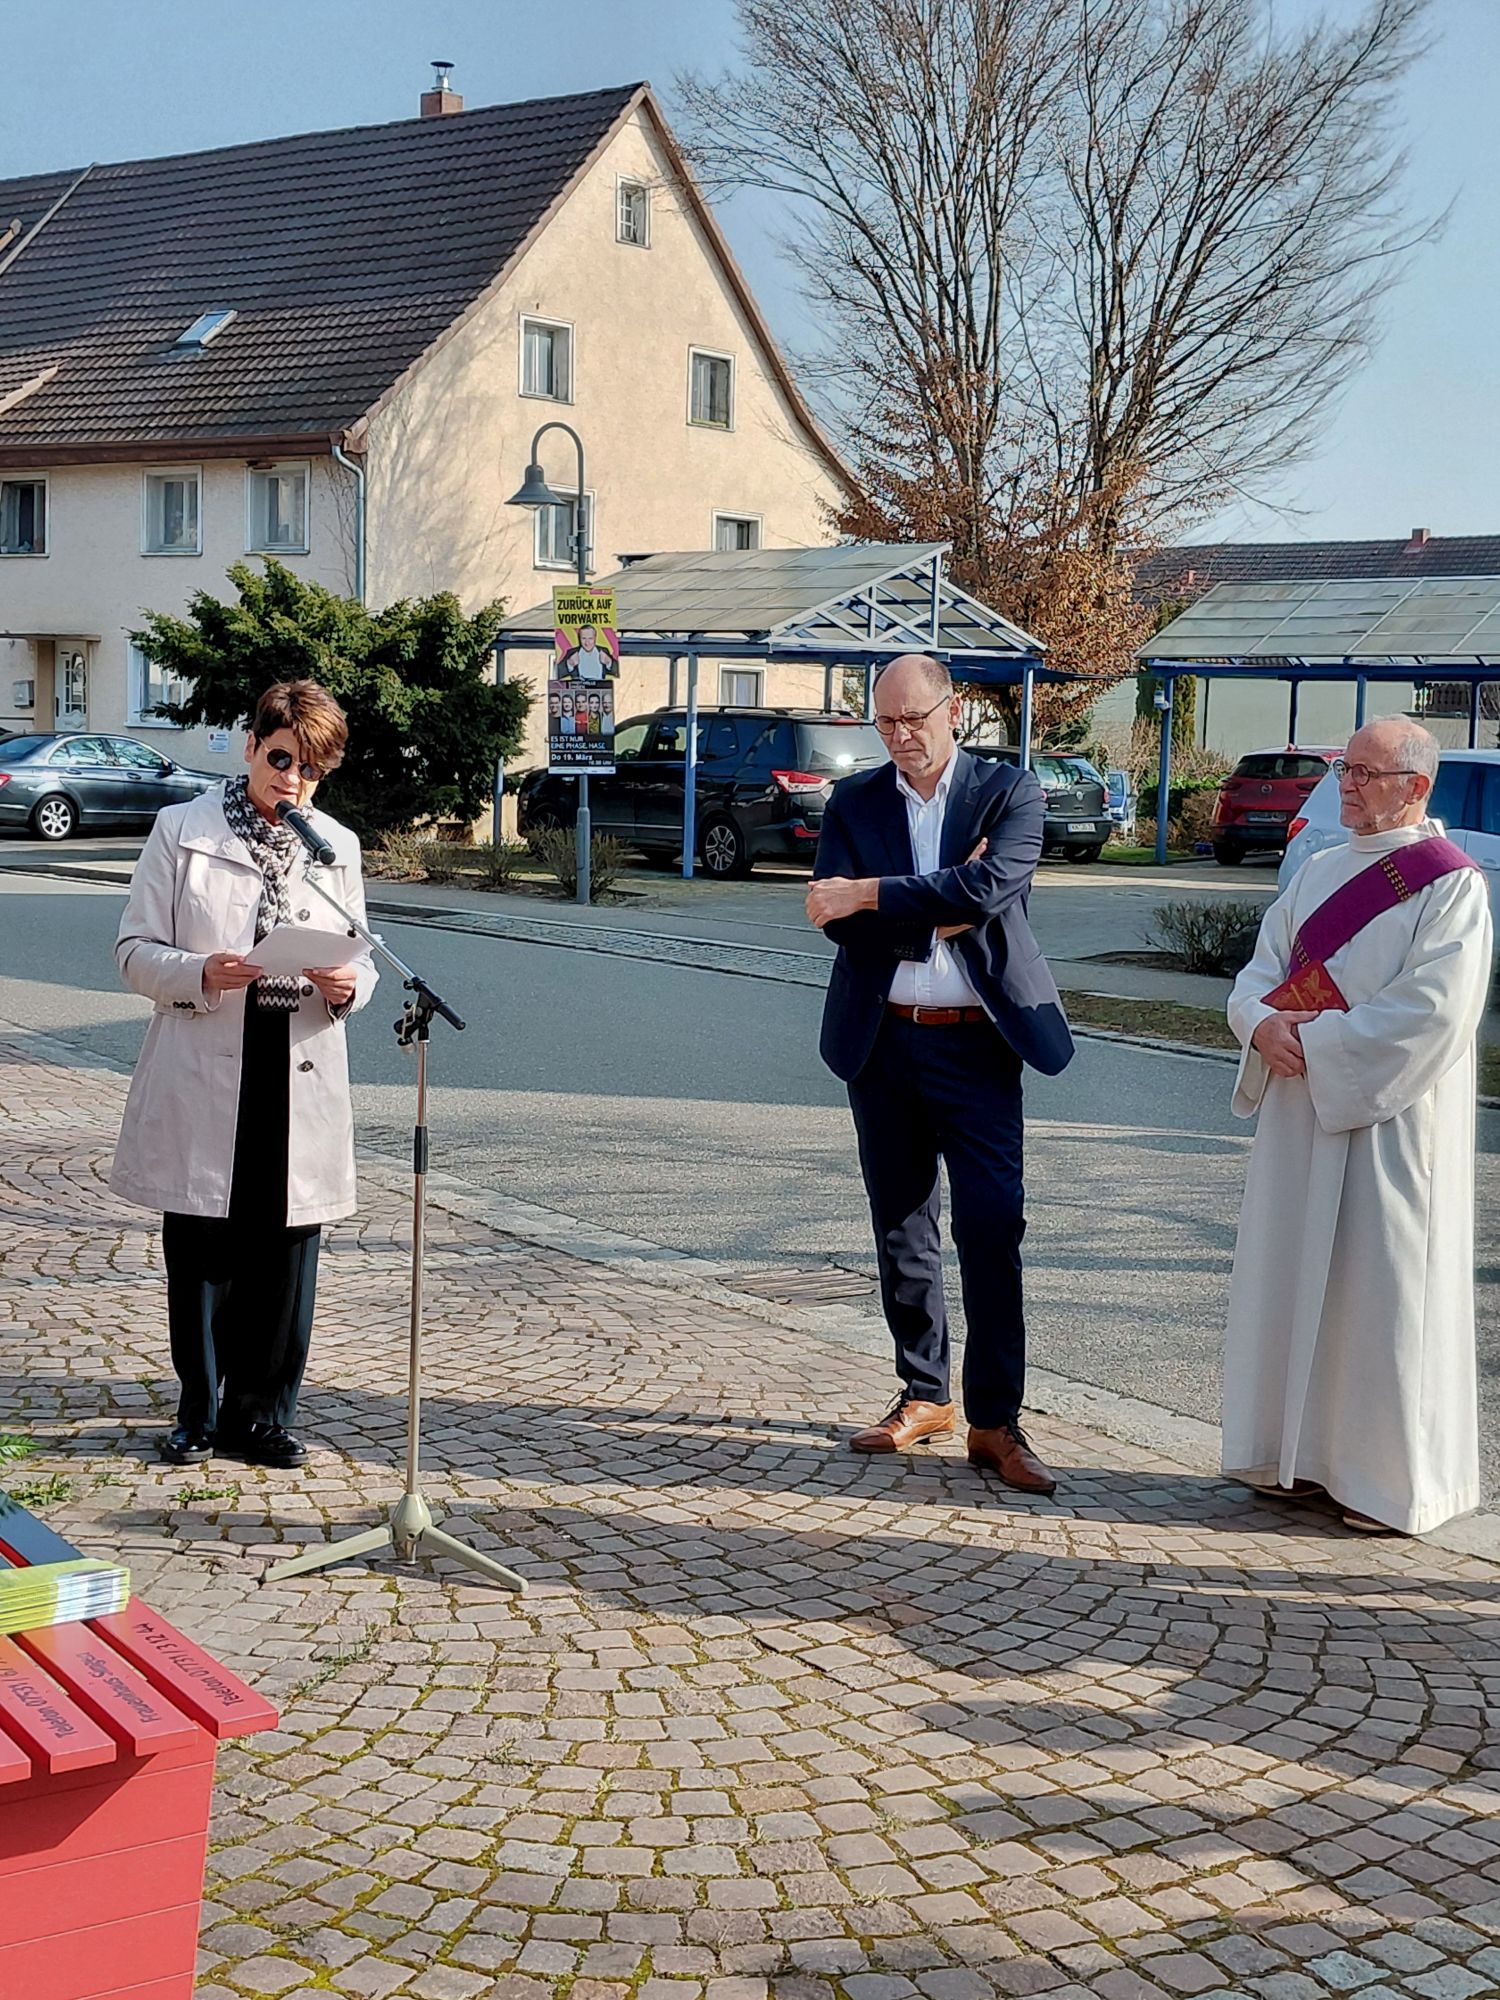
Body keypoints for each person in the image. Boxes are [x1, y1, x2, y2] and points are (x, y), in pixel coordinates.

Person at [806, 655, 1074, 1494]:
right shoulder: (853, 801)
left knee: (991, 1225)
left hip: (978, 1044)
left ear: (953, 712)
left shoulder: (1009, 793)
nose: (901, 736)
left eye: (914, 719)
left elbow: (990, 888)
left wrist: (871, 893)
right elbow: (833, 918)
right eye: (885, 722)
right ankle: (925, 1393)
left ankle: (995, 1421)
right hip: (882, 1040)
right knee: (901, 1226)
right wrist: (933, 904)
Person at [1223, 717, 1492, 1535]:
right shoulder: (1317, 871)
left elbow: (1434, 1012)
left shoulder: (1452, 886)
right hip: (1300, 1110)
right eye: (1345, 771)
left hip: (1391, 1123)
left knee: (1383, 1296)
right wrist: (1259, 1024)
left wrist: (1319, 1044)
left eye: (1365, 774)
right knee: (1291, 1279)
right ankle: (1291, 1456)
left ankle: (1385, 1484)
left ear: (1416, 787)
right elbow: (1259, 974)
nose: (1346, 785)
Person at [111, 680, 378, 1469]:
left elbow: (363, 958)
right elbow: (133, 951)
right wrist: (199, 971)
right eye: (282, 759)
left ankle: (260, 1417)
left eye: (312, 770)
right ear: (252, 745)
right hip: (208, 1054)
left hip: (298, 1061)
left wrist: (347, 986)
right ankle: (199, 1410)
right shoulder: (181, 830)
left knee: (286, 1249)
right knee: (204, 1245)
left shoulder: (336, 846)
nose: (293, 781)